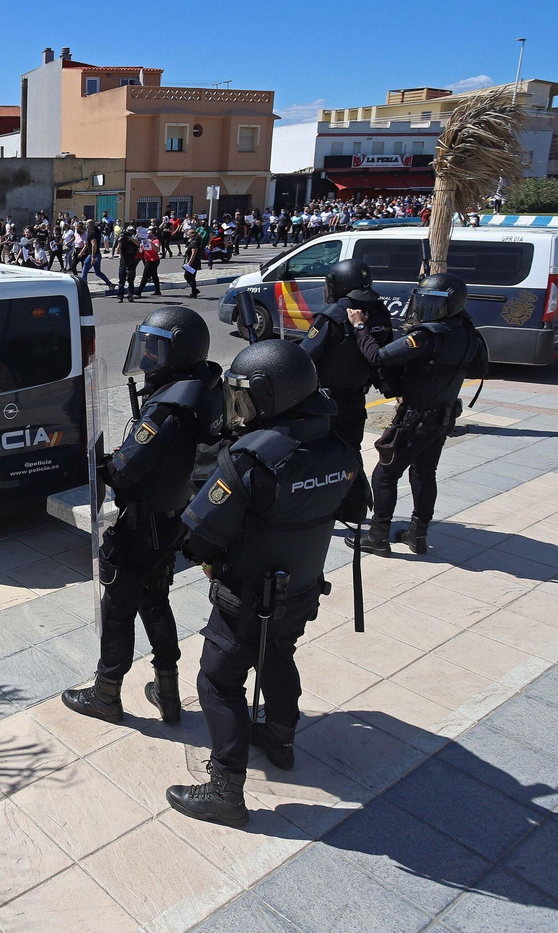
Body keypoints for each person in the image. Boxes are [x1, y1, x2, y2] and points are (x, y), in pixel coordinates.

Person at [166, 341, 364, 827]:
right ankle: (280, 738)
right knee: (278, 655)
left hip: (246, 594)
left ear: (272, 398)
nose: (240, 406)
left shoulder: (252, 458)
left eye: (248, 396)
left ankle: (225, 790)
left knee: (218, 678)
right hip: (301, 589)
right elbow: (358, 510)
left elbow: (195, 538)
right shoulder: (339, 444)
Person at [63, 306, 222, 726]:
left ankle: (105, 693)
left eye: (156, 348)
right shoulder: (203, 386)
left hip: (143, 523)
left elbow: (126, 469)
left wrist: (101, 465)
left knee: (118, 609)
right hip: (173, 518)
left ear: (178, 352)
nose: (147, 355)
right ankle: (167, 692)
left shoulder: (167, 406)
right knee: (156, 601)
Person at [347, 273, 487, 556]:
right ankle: (417, 534)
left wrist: (360, 326)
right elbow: (479, 369)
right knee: (425, 473)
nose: (426, 309)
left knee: (385, 474)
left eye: (433, 303)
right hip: (442, 418)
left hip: (415, 419)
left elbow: (378, 357)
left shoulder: (427, 336)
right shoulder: (468, 330)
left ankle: (378, 536)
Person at [300, 259, 393, 451]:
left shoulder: (332, 316)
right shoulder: (380, 313)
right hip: (357, 397)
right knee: (352, 449)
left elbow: (305, 356)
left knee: (324, 451)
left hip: (327, 401)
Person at [114, 227, 140, 302]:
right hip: (123, 265)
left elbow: (138, 244)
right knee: (121, 282)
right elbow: (118, 251)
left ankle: (130, 296)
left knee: (131, 281)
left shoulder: (134, 241)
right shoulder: (123, 242)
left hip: (131, 265)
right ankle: (120, 297)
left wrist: (131, 239)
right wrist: (119, 242)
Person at [182, 227, 204, 298]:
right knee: (188, 277)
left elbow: (193, 254)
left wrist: (189, 263)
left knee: (190, 277)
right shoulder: (191, 241)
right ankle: (194, 290)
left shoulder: (195, 243)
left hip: (193, 262)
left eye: (188, 233)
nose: (187, 234)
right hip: (190, 261)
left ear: (192, 235)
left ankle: (194, 292)